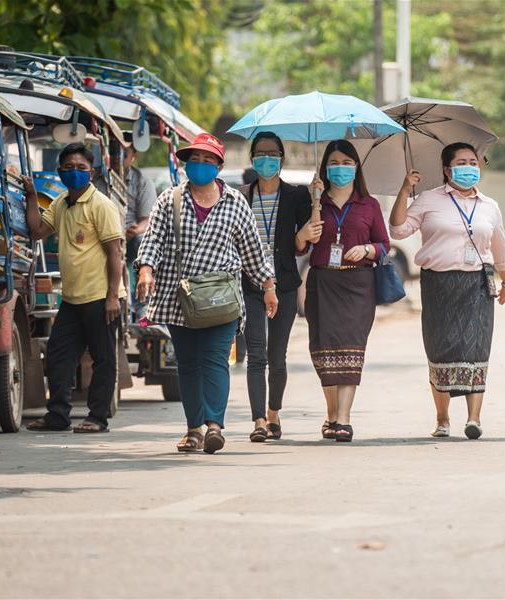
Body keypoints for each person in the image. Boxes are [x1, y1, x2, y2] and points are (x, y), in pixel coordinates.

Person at [134, 133, 277, 454]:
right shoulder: (169, 199)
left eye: (207, 160)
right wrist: (146, 270)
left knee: (214, 361)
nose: (199, 165)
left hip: (220, 299)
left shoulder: (235, 202)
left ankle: (214, 425)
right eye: (194, 160)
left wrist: (268, 287)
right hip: (177, 298)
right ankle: (193, 429)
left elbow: (253, 250)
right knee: (187, 364)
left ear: (219, 166)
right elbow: (153, 241)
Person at [390, 142, 505, 440]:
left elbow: (499, 247)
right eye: (462, 162)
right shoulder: (429, 200)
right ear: (446, 169)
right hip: (438, 285)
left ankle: (474, 419)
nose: (469, 167)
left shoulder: (489, 206)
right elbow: (397, 229)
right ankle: (442, 418)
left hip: (477, 285)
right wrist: (405, 190)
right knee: (441, 349)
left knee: (476, 348)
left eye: (474, 162)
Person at [24, 143, 126, 433]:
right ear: (60, 172)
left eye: (81, 168)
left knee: (102, 359)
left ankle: (97, 418)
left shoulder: (102, 206)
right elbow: (37, 231)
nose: (75, 172)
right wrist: (32, 196)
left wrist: (111, 296)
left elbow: (114, 253)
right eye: (68, 168)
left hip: (100, 298)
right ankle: (57, 415)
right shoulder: (60, 203)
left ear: (91, 173)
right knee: (58, 354)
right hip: (72, 299)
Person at [297, 139, 388, 442]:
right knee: (323, 351)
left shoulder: (369, 204)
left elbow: (384, 245)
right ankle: (331, 413)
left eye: (347, 163)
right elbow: (299, 247)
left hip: (358, 285)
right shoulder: (314, 201)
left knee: (351, 350)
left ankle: (344, 420)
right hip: (322, 283)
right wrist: (312, 203)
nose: (341, 169)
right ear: (325, 167)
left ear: (356, 167)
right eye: (334, 163)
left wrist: (367, 249)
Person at [240, 132, 311, 442]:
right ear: (252, 158)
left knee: (277, 355)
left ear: (282, 158)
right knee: (255, 355)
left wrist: (315, 208)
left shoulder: (297, 195)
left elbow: (303, 244)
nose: (266, 159)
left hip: (283, 284)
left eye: (272, 154)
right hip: (250, 283)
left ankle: (273, 414)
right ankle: (257, 421)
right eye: (260, 154)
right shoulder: (240, 195)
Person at [121, 131, 157, 319]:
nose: (117, 157)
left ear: (133, 156)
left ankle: (143, 306)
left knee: (142, 243)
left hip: (130, 240)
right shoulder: (96, 178)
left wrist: (134, 230)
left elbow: (148, 220)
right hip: (101, 238)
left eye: (124, 153)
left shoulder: (142, 181)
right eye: (113, 150)